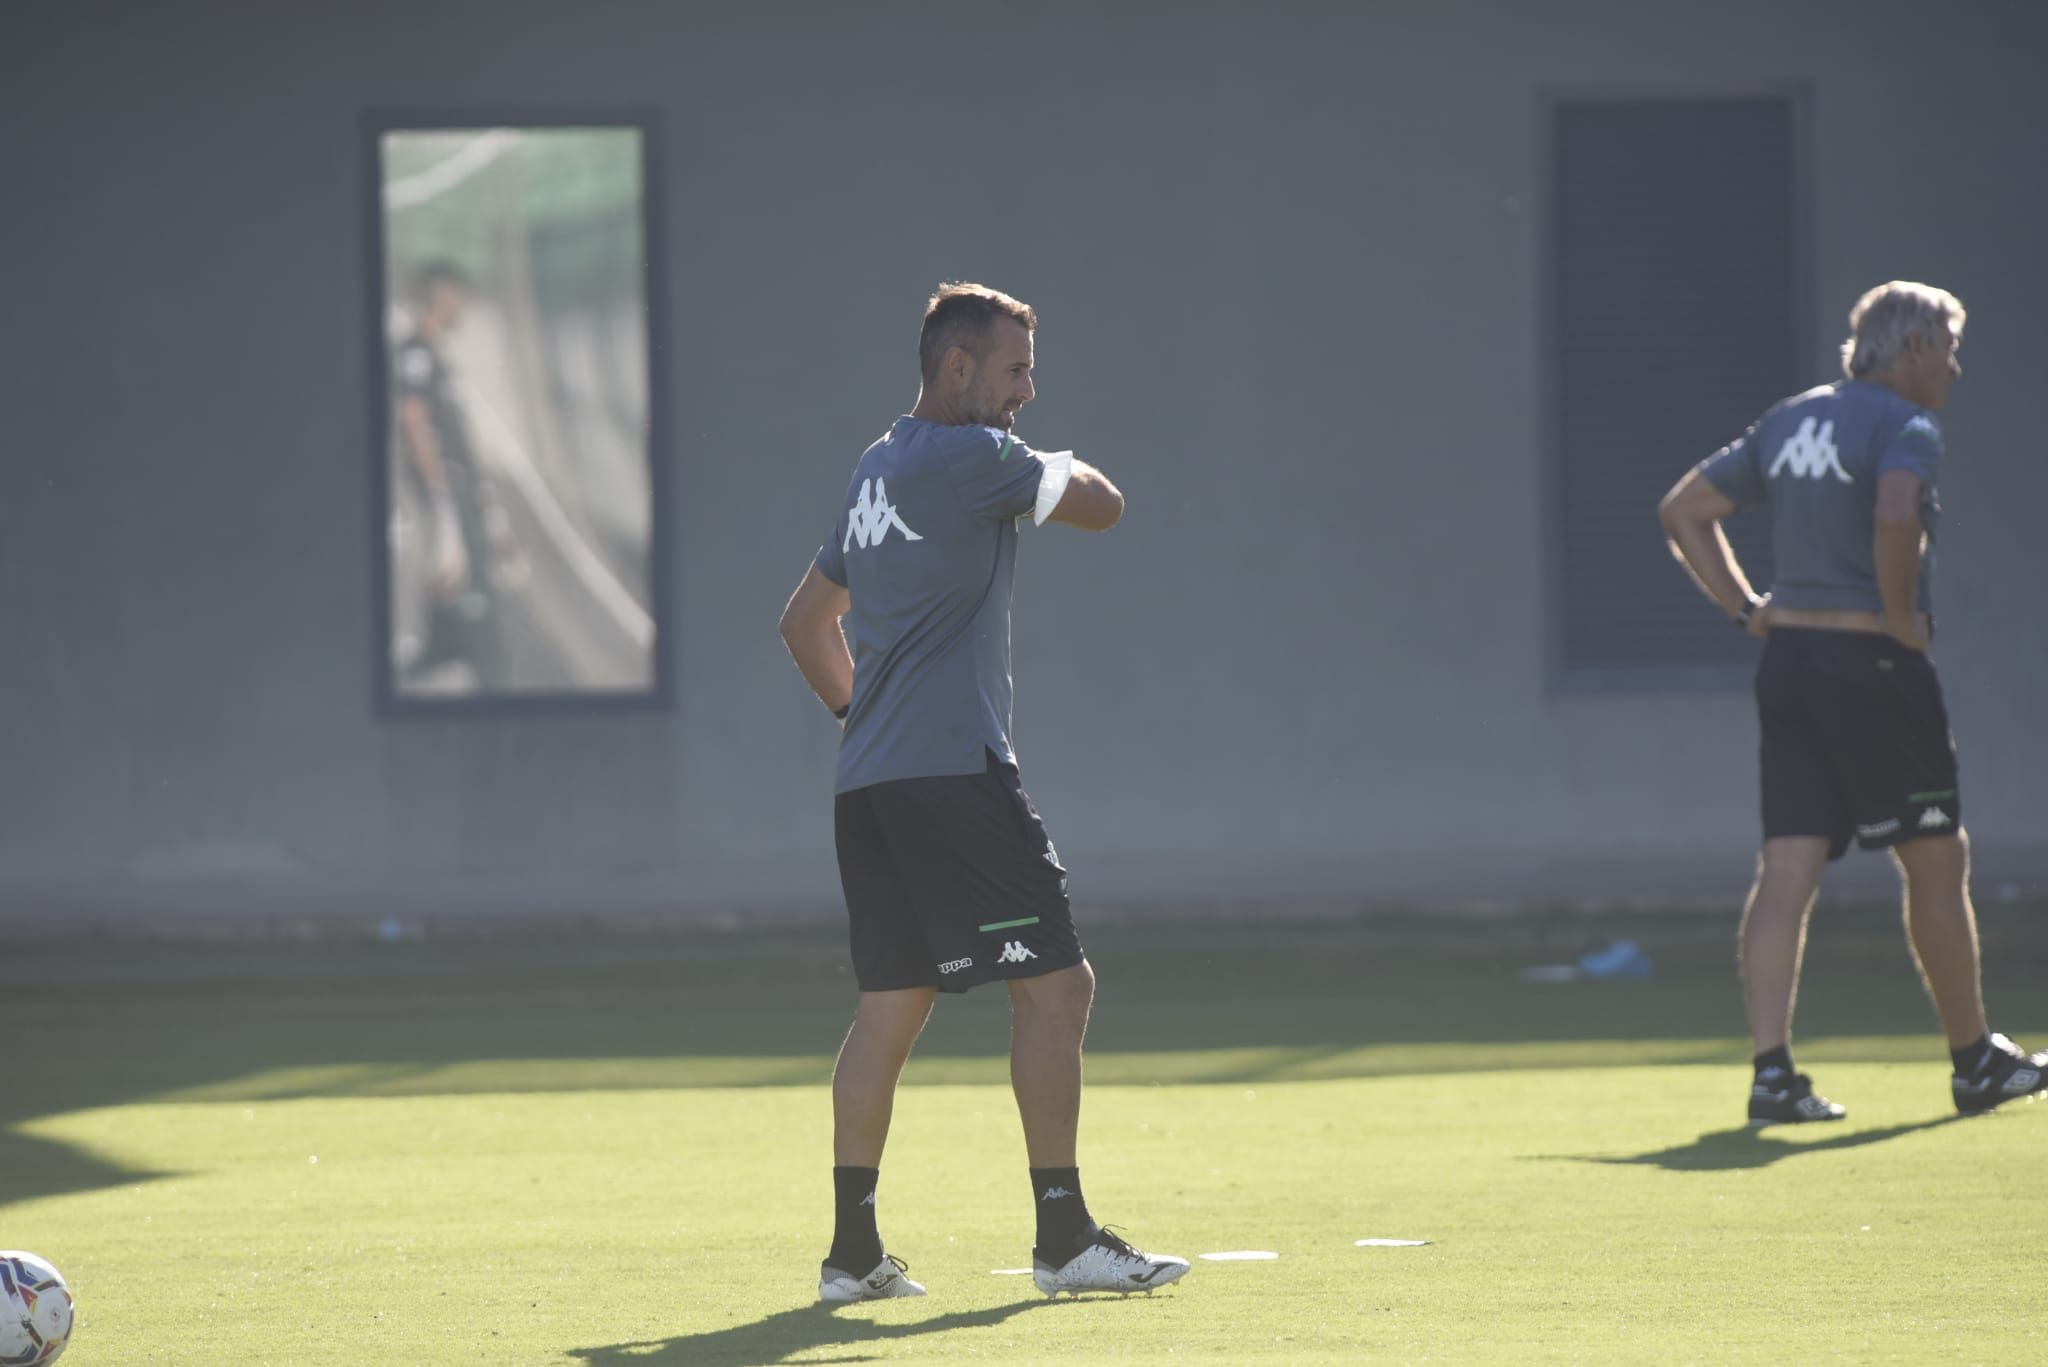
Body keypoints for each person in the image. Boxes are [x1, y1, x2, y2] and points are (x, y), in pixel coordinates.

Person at [778, 282, 1190, 1300]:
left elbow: (802, 623)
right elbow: (1103, 503)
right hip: (952, 776)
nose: (1027, 389)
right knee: (1058, 985)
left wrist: (857, 716)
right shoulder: (973, 459)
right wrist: (1045, 461)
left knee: (887, 1010)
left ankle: (851, 1254)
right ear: (956, 368)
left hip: (867, 786)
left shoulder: (875, 467)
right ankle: (1065, 1240)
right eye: (1013, 370)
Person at [1656, 280, 2045, 1126]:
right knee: (1937, 859)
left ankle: (1771, 1074)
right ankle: (1976, 1060)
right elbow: (1897, 509)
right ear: (1908, 350)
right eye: (1946, 345)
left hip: (1790, 662)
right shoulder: (1906, 426)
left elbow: (1684, 509)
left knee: (1787, 867)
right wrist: (1901, 618)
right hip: (1872, 663)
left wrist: (1747, 609)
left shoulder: (1790, 419)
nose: (1955, 364)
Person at [391, 260, 506, 692]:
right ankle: (481, 671)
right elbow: (414, 419)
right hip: (445, 483)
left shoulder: (433, 353)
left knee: (460, 572)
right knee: (466, 576)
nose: (462, 310)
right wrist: (439, 488)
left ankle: (445, 649)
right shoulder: (416, 352)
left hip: (458, 481)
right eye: (459, 301)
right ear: (442, 299)